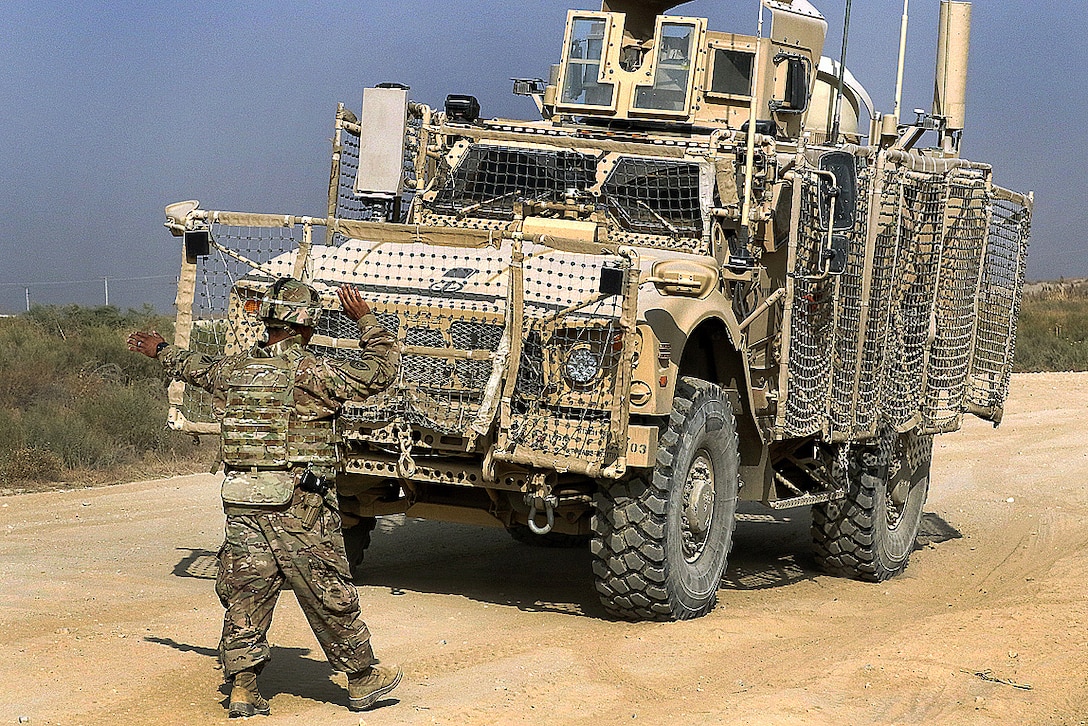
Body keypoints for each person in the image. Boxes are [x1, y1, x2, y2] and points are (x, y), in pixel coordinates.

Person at [128, 278, 402, 717]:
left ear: (268, 320)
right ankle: (362, 676)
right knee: (323, 584)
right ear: (305, 326)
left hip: (243, 499)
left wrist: (159, 350)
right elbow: (382, 372)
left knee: (247, 589)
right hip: (299, 503)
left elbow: (195, 366)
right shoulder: (313, 372)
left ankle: (243, 687)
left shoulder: (235, 371)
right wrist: (366, 321)